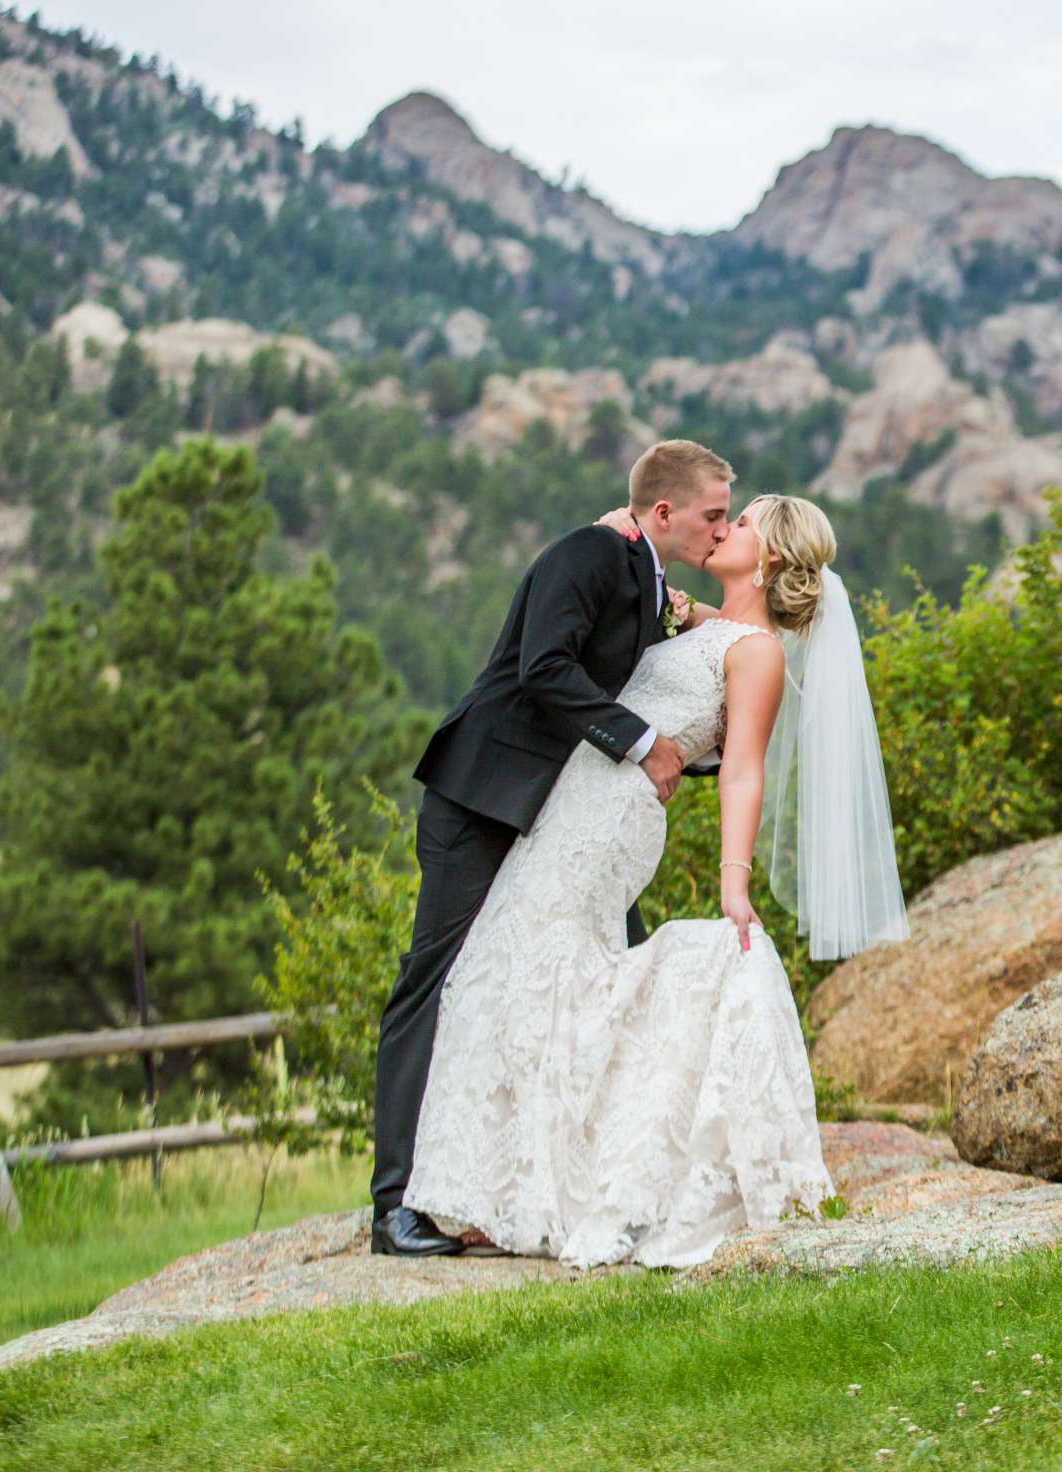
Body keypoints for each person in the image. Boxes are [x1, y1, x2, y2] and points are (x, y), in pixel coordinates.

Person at [400, 494, 909, 1268]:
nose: (723, 528)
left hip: (612, 820)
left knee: (534, 969)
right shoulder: (712, 625)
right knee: (508, 971)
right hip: (570, 803)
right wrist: (627, 540)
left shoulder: (759, 655)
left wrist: (733, 882)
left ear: (767, 556)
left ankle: (537, 1189)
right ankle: (512, 1187)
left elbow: (741, 770)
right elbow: (645, 617)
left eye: (740, 524)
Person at [368, 440, 733, 1258]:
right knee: (438, 979)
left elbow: (665, 665)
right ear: (664, 512)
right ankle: (394, 1204)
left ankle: (592, 1180)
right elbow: (543, 669)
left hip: (568, 820)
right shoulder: (587, 551)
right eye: (713, 514)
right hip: (484, 799)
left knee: (609, 969)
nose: (723, 528)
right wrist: (645, 744)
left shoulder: (644, 576)